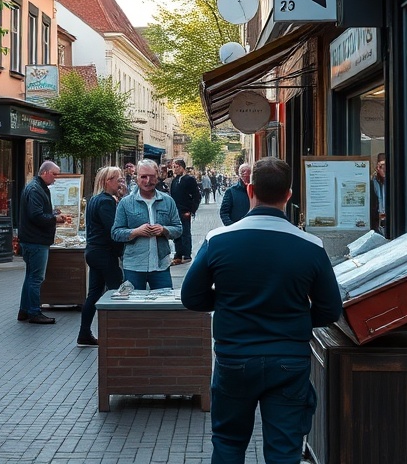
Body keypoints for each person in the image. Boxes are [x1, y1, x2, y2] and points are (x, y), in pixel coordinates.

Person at [181, 157, 343, 464]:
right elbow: (330, 309)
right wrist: (295, 316)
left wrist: (226, 301)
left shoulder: (217, 241)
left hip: (235, 357)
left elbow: (191, 297)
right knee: (284, 450)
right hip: (289, 359)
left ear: (250, 188)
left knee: (228, 443)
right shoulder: (311, 245)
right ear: (289, 194)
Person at [111, 159, 182, 289]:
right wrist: (136, 232)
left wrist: (164, 230)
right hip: (134, 266)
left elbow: (178, 229)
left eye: (152, 176)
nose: (147, 181)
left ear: (158, 176)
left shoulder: (167, 201)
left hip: (161, 265)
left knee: (163, 305)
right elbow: (115, 233)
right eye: (143, 176)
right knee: (134, 307)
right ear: (136, 177)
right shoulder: (126, 203)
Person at [77, 166, 125, 347]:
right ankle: (116, 334)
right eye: (118, 180)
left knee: (94, 293)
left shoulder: (94, 200)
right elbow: (113, 230)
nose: (121, 183)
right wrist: (121, 249)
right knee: (116, 292)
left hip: (93, 252)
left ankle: (84, 333)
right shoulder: (106, 202)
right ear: (108, 181)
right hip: (104, 253)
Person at [17, 160, 66, 324]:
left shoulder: (36, 188)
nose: (56, 178)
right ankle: (34, 312)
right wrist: (55, 218)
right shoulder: (36, 190)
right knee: (36, 278)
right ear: (45, 172)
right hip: (35, 240)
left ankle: (24, 310)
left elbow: (36, 213)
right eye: (54, 174)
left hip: (32, 239)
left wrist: (52, 214)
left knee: (30, 276)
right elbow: (36, 216)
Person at [169, 158, 201, 264]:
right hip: (175, 211)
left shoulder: (189, 179)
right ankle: (178, 254)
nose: (174, 169)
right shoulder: (174, 181)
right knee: (176, 233)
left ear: (182, 167)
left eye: (176, 167)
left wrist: (191, 210)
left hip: (185, 211)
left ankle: (187, 254)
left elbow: (197, 196)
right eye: (173, 167)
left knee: (185, 233)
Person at [370, 153, 387, 235]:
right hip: (377, 219)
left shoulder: (394, 181)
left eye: (385, 166)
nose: (383, 169)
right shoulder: (374, 181)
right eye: (381, 166)